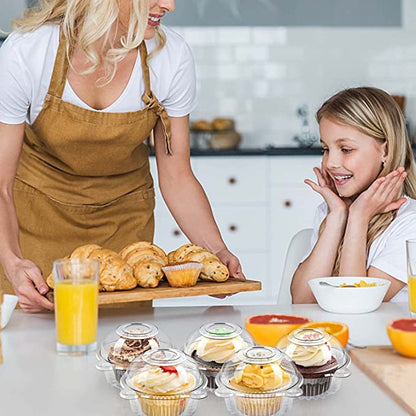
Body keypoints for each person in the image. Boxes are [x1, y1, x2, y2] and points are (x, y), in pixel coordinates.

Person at [0, 0, 244, 313]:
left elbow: (177, 176)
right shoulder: (28, 53)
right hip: (31, 231)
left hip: (126, 238)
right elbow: (2, 183)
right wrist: (12, 260)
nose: (169, 5)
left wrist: (216, 250)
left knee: (124, 352)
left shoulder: (170, 57)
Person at [291, 87, 416, 304]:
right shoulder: (331, 211)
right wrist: (338, 216)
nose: (331, 163)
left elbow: (354, 304)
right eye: (326, 149)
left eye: (346, 149)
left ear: (385, 151)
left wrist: (358, 217)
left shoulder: (410, 223)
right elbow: (302, 301)